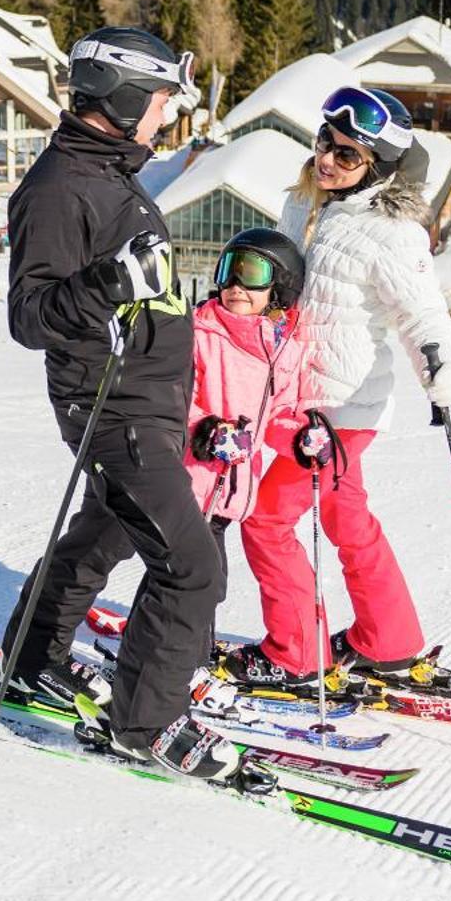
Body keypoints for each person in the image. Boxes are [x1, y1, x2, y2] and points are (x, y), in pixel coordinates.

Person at [0, 25, 247, 781]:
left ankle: (31, 655)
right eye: (164, 100)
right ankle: (145, 723)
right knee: (194, 567)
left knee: (105, 536)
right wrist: (110, 285)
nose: (169, 116)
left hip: (148, 400)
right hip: (114, 408)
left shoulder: (107, 170)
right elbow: (28, 316)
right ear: (128, 96)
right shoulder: (58, 188)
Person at [220, 85, 451, 697]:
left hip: (340, 407)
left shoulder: (392, 232)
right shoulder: (303, 206)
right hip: (292, 398)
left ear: (377, 168)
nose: (329, 159)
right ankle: (389, 640)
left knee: (267, 520)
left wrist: (439, 369)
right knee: (345, 515)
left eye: (348, 155)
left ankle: (297, 654)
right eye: (325, 143)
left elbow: (423, 314)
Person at [181, 229, 309, 649]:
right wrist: (204, 428)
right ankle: (177, 658)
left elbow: (280, 418)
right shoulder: (200, 333)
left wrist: (302, 438)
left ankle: (187, 651)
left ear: (279, 286)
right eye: (228, 271)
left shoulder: (281, 349)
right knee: (193, 578)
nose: (235, 285)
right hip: (188, 483)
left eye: (250, 273)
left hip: (227, 496)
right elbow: (173, 398)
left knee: (208, 581)